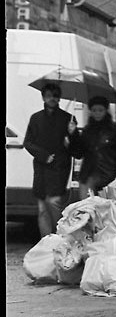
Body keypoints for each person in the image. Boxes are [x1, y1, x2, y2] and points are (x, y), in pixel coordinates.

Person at [23, 83, 76, 237]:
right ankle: (45, 242)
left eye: (55, 95)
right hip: (41, 167)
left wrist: (73, 134)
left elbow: (77, 150)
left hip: (59, 168)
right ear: (43, 97)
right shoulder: (36, 118)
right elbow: (28, 142)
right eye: (48, 95)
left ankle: (59, 237)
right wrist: (44, 156)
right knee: (42, 209)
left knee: (54, 203)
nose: (52, 98)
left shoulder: (68, 119)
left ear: (59, 98)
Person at [71, 96, 116, 199]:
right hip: (88, 176)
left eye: (100, 110)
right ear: (90, 111)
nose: (97, 113)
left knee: (108, 205)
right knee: (87, 205)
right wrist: (74, 135)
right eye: (94, 110)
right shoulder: (87, 130)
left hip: (110, 175)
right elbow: (78, 153)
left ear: (106, 111)